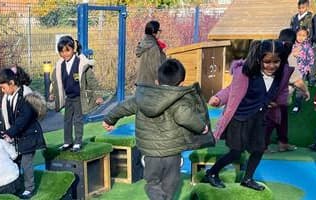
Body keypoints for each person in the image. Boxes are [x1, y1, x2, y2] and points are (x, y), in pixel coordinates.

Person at [103, 59, 210, 200]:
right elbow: (186, 117)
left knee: (152, 182)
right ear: (181, 84)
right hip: (172, 153)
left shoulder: (142, 98)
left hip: (151, 153)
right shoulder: (178, 101)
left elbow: (123, 107)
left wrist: (109, 119)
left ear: (157, 81)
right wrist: (202, 127)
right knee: (171, 183)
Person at [205, 40, 289, 191]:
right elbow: (232, 89)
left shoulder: (281, 74)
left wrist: (278, 102)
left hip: (260, 119)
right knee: (236, 152)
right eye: (267, 62)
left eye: (276, 62)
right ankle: (212, 173)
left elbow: (282, 90)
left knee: (259, 150)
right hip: (240, 118)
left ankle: (248, 178)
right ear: (259, 59)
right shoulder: (247, 73)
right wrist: (219, 98)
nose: (271, 66)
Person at [0, 67, 47, 199]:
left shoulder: (26, 96)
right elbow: (5, 118)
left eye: (3, 88)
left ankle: (29, 188)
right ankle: (18, 185)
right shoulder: (8, 98)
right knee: (16, 162)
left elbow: (23, 119)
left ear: (12, 83)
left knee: (26, 162)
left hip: (29, 136)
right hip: (19, 137)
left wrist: (10, 132)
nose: (2, 91)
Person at [49, 35, 104, 152]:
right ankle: (67, 142)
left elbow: (92, 81)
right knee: (67, 120)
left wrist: (98, 96)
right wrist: (53, 92)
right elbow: (56, 81)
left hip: (79, 97)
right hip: (68, 97)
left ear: (73, 49)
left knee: (78, 119)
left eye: (67, 50)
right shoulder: (60, 65)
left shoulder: (82, 64)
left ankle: (78, 142)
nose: (64, 54)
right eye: (61, 51)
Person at [269, 29, 310, 152]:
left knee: (281, 119)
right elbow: (296, 80)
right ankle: (263, 145)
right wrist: (306, 91)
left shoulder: (273, 52)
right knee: (272, 120)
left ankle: (283, 142)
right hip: (279, 94)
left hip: (270, 92)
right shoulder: (288, 57)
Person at [135, 20, 167, 86]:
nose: (160, 33)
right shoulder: (153, 47)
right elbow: (156, 67)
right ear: (154, 32)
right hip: (150, 85)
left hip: (141, 83)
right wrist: (161, 83)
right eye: (159, 30)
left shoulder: (144, 43)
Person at [290, 28, 315, 113]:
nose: (301, 37)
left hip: (302, 71)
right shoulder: (291, 44)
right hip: (291, 70)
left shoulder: (307, 46)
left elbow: (311, 58)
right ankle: (286, 101)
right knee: (290, 87)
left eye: (303, 35)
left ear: (307, 37)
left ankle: (297, 105)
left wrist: (308, 67)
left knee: (299, 89)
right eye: (299, 35)